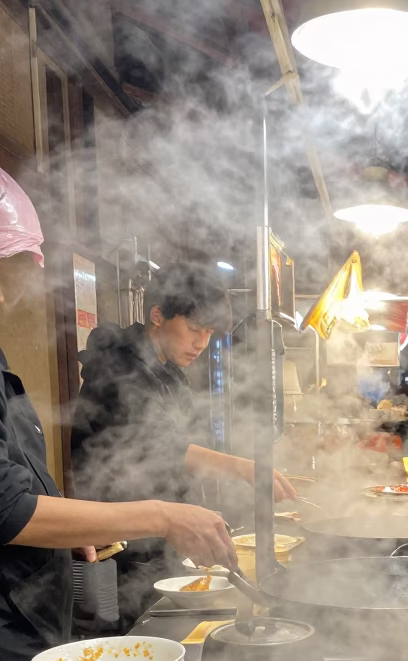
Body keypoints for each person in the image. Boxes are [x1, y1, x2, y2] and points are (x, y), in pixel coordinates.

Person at [0, 153, 238, 661]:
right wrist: (166, 513)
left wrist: (60, 519)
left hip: (35, 599)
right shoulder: (113, 363)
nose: (5, 286)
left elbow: (13, 469)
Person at [71, 265, 297, 626]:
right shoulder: (117, 370)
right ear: (157, 315)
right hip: (122, 545)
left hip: (163, 536)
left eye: (208, 333)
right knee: (139, 633)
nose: (201, 343)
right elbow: (161, 447)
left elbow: (186, 446)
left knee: (179, 625)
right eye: (194, 329)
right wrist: (245, 467)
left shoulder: (169, 372)